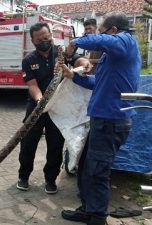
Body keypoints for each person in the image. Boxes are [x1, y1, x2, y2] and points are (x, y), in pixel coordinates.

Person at [60, 11, 141, 225]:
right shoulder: (115, 56)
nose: (97, 35)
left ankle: (96, 218)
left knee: (98, 171)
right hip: (102, 120)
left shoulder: (126, 42)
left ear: (113, 30)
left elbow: (101, 40)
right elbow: (99, 83)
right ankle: (89, 208)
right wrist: (75, 76)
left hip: (110, 121)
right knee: (88, 166)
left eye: (101, 30)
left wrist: (76, 41)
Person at [16, 22, 91, 195]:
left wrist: (84, 61)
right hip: (37, 107)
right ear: (33, 41)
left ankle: (50, 180)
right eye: (39, 39)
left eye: (46, 37)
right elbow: (32, 85)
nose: (44, 40)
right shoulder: (29, 60)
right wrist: (41, 101)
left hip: (59, 108)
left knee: (55, 144)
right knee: (28, 142)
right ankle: (23, 176)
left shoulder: (62, 53)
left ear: (51, 35)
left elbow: (77, 59)